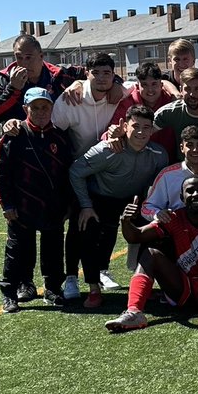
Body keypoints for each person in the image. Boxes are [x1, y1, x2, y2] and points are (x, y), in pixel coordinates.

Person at [106, 177, 198, 334]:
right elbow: (135, 237)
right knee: (150, 253)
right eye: (190, 191)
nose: (195, 194)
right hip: (180, 288)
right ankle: (134, 312)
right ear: (181, 197)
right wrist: (126, 222)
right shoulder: (173, 218)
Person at [69, 105, 169, 308]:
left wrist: (148, 206)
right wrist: (86, 206)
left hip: (131, 201)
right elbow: (75, 171)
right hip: (100, 199)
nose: (141, 132)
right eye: (135, 126)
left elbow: (158, 184)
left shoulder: (159, 155)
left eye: (146, 127)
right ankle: (93, 289)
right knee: (88, 229)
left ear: (152, 130)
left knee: (155, 229)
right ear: (124, 125)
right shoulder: (107, 149)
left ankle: (144, 283)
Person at [49, 52, 128, 296]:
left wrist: (120, 86)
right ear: (86, 73)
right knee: (77, 223)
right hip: (78, 170)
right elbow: (53, 132)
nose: (102, 78)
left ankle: (102, 270)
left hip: (108, 169)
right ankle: (71, 276)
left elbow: (154, 83)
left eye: (108, 73)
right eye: (96, 73)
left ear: (114, 74)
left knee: (108, 222)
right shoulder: (69, 99)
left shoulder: (120, 93)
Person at [0, 88, 74, 313]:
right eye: (35, 107)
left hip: (53, 208)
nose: (40, 112)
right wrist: (6, 204)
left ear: (52, 108)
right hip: (21, 208)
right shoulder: (14, 137)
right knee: (17, 252)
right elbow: (1, 176)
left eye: (45, 107)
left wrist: (68, 204)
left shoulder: (60, 136)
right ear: (25, 109)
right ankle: (10, 293)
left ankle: (52, 289)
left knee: (54, 252)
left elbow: (68, 174)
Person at [0, 34, 119, 125]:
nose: (23, 63)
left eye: (28, 57)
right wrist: (12, 89)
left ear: (41, 56)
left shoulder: (61, 75)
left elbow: (99, 73)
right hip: (19, 149)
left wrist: (116, 84)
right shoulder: (3, 80)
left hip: (56, 147)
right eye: (19, 57)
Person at [153, 67, 198, 157]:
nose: (192, 94)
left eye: (197, 89)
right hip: (181, 168)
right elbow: (142, 132)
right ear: (181, 90)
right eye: (187, 89)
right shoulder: (169, 112)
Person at [107, 61, 177, 151]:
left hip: (169, 159)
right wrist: (112, 135)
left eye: (154, 84)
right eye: (144, 85)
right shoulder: (127, 104)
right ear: (137, 86)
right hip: (136, 160)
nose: (150, 90)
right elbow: (111, 131)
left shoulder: (171, 103)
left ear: (161, 85)